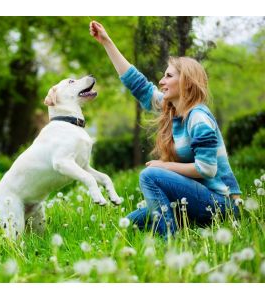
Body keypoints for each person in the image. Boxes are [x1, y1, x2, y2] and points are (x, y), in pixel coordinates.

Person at [89, 20, 241, 239]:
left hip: (221, 204)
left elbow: (206, 169)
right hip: (196, 199)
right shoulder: (174, 110)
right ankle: (178, 229)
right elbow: (138, 85)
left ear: (187, 83)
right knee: (130, 223)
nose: (161, 81)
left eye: (169, 76)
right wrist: (107, 42)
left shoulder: (198, 117)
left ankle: (171, 241)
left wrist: (164, 166)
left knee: (150, 175)